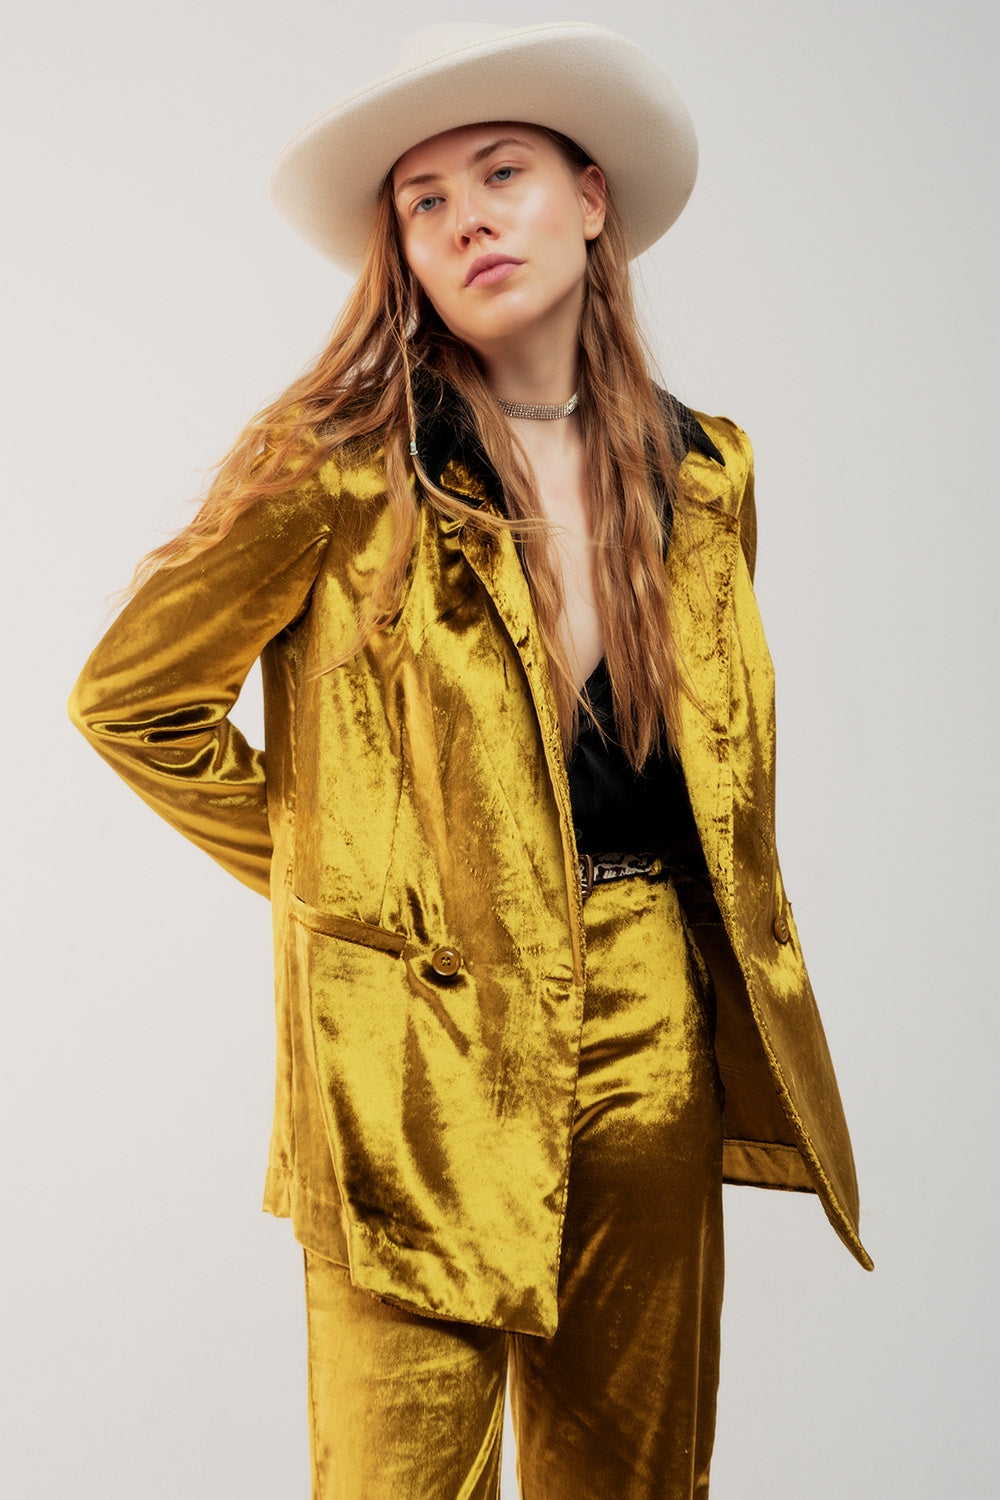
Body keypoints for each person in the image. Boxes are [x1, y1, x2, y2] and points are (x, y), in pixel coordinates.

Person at [69, 21, 870, 1500]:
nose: (465, 220)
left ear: (590, 198)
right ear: (403, 252)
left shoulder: (704, 471)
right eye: (424, 201)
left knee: (635, 1476)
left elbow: (706, 770)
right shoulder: (333, 462)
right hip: (413, 1049)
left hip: (651, 1012)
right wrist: (359, 881)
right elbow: (131, 701)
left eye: (503, 174)